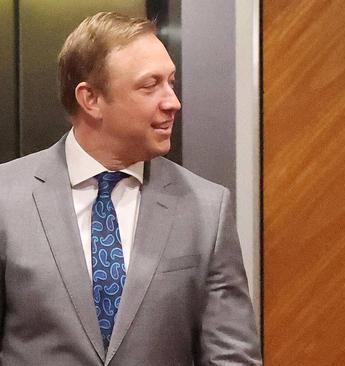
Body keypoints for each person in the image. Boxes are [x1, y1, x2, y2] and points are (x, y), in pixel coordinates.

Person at [0, 12, 261, 365]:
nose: (172, 102)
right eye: (149, 85)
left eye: (171, 82)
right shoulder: (6, 198)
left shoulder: (207, 208)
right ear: (90, 98)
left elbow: (231, 357)